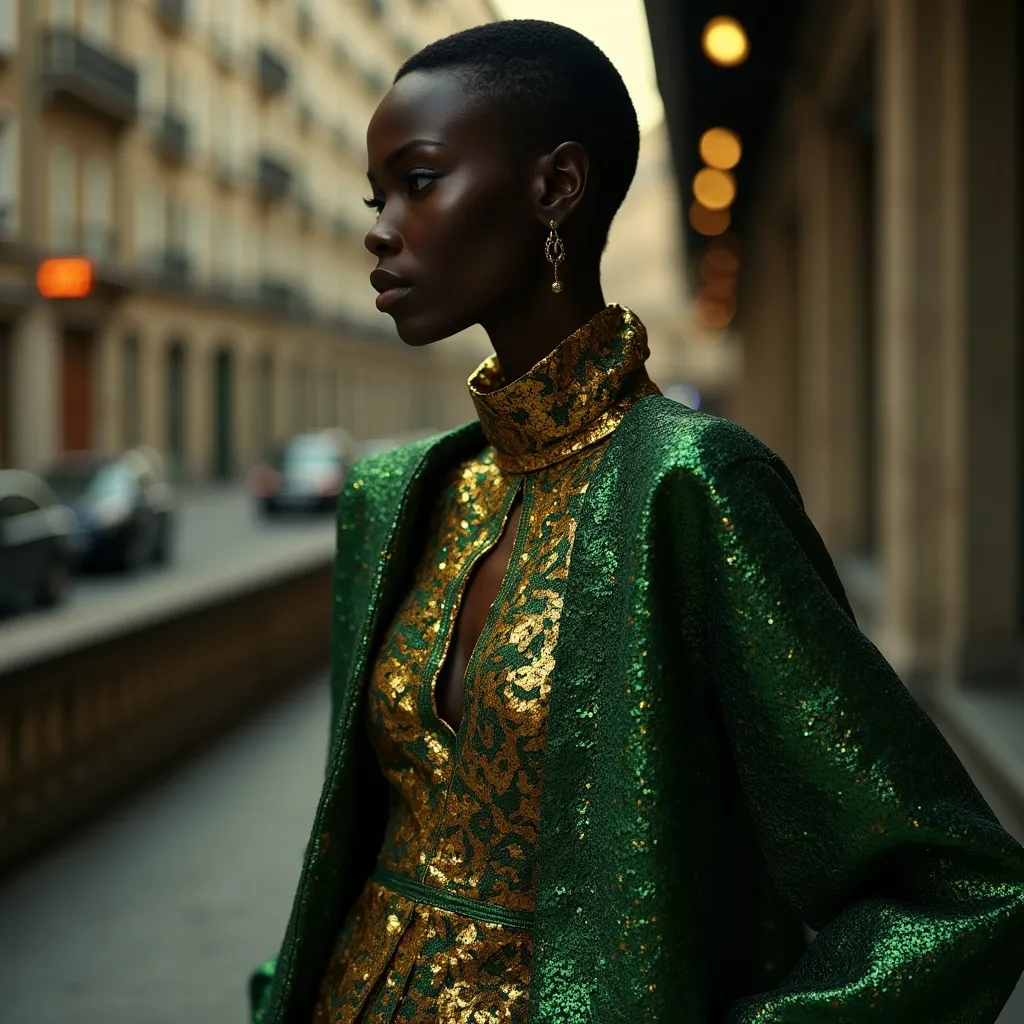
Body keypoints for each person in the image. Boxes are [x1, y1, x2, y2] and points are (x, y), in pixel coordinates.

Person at [251, 19, 1024, 1024]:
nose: (381, 224)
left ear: (555, 187)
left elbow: (958, 889)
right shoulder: (398, 496)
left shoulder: (694, 485)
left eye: (421, 179)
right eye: (376, 193)